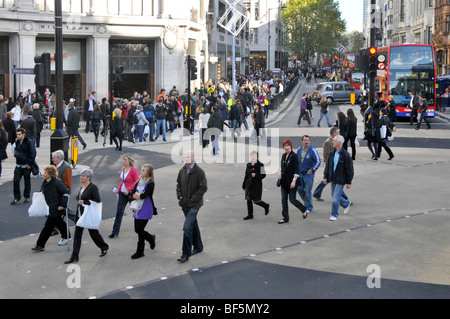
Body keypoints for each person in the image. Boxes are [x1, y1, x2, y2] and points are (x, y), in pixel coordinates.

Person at [64, 169, 109, 263]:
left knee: (93, 233)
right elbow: (79, 197)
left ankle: (104, 247)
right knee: (77, 235)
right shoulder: (82, 187)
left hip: (88, 214)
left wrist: (85, 202)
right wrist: (80, 200)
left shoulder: (93, 187)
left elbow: (97, 200)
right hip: (80, 214)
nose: (81, 177)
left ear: (88, 178)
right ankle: (74, 256)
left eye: (83, 176)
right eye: (81, 175)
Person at [176, 150, 208, 263]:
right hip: (184, 204)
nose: (186, 159)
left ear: (193, 158)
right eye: (185, 157)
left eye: (189, 157)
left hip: (195, 205)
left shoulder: (199, 172)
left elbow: (203, 188)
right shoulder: (182, 170)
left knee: (187, 227)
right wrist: (179, 196)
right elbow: (178, 184)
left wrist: (193, 199)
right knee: (193, 224)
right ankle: (198, 246)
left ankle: (185, 253)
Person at [31, 165, 70, 252]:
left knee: (48, 227)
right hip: (50, 207)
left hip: (56, 208)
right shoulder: (45, 181)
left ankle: (40, 245)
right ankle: (67, 236)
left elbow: (65, 193)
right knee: (59, 223)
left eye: (45, 173)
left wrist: (62, 205)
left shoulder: (57, 182)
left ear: (50, 174)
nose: (44, 174)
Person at [128, 164, 157, 259]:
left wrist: (137, 195)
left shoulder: (150, 183)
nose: (141, 172)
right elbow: (132, 192)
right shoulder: (139, 181)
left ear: (148, 172)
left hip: (146, 208)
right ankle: (150, 237)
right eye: (141, 170)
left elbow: (144, 196)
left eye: (143, 170)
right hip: (138, 208)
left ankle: (140, 251)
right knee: (137, 229)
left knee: (140, 230)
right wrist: (137, 195)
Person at [323, 135, 353, 221]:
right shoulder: (332, 153)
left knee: (335, 198)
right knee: (334, 195)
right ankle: (346, 203)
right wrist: (325, 177)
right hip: (333, 178)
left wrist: (349, 182)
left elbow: (349, 169)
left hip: (341, 179)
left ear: (339, 143)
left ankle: (334, 214)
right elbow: (328, 165)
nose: (333, 142)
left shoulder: (345, 155)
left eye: (335, 141)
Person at [109, 154, 140, 238]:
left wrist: (129, 189)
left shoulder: (133, 170)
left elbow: (136, 182)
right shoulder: (123, 169)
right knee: (119, 212)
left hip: (130, 194)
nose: (123, 161)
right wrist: (118, 191)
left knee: (135, 211)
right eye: (123, 160)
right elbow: (123, 181)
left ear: (129, 161)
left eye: (125, 160)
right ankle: (115, 232)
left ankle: (140, 229)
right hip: (123, 193)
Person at [277, 139, 307, 223]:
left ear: (290, 146)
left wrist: (294, 181)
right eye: (285, 146)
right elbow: (282, 166)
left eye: (288, 145)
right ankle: (285, 218)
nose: (286, 147)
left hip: (292, 182)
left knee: (292, 200)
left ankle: (303, 209)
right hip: (284, 182)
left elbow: (297, 170)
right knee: (283, 200)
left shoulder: (294, 156)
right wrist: (279, 172)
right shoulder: (283, 155)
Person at [313, 127, 341, 201]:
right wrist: (330, 165)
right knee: (336, 182)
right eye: (338, 132)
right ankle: (345, 200)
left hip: (333, 165)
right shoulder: (328, 142)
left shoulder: (336, 141)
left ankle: (316, 193)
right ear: (334, 134)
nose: (339, 133)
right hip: (330, 166)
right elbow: (326, 155)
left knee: (328, 180)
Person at [242, 150, 270, 220]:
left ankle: (266, 206)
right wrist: (244, 185)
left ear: (257, 157)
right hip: (249, 184)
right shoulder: (248, 165)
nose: (253, 157)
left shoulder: (260, 165)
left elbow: (263, 175)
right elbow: (246, 175)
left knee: (256, 201)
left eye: (255, 156)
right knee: (248, 199)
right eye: (252, 156)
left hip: (256, 185)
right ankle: (250, 214)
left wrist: (256, 175)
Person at [296, 135, 321, 214]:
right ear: (302, 141)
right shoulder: (299, 150)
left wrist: (312, 169)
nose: (306, 142)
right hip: (300, 173)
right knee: (299, 188)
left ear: (309, 141)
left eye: (307, 140)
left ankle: (308, 207)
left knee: (307, 191)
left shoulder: (312, 150)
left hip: (308, 174)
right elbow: (297, 161)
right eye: (305, 140)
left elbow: (318, 161)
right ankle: (307, 202)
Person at [11, 128, 36, 205]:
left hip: (26, 165)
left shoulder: (29, 142)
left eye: (19, 134)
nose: (18, 136)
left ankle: (26, 196)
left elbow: (33, 153)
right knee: (15, 180)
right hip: (18, 165)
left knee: (27, 181)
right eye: (17, 134)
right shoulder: (17, 142)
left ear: (23, 135)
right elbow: (15, 151)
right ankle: (17, 197)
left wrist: (29, 164)